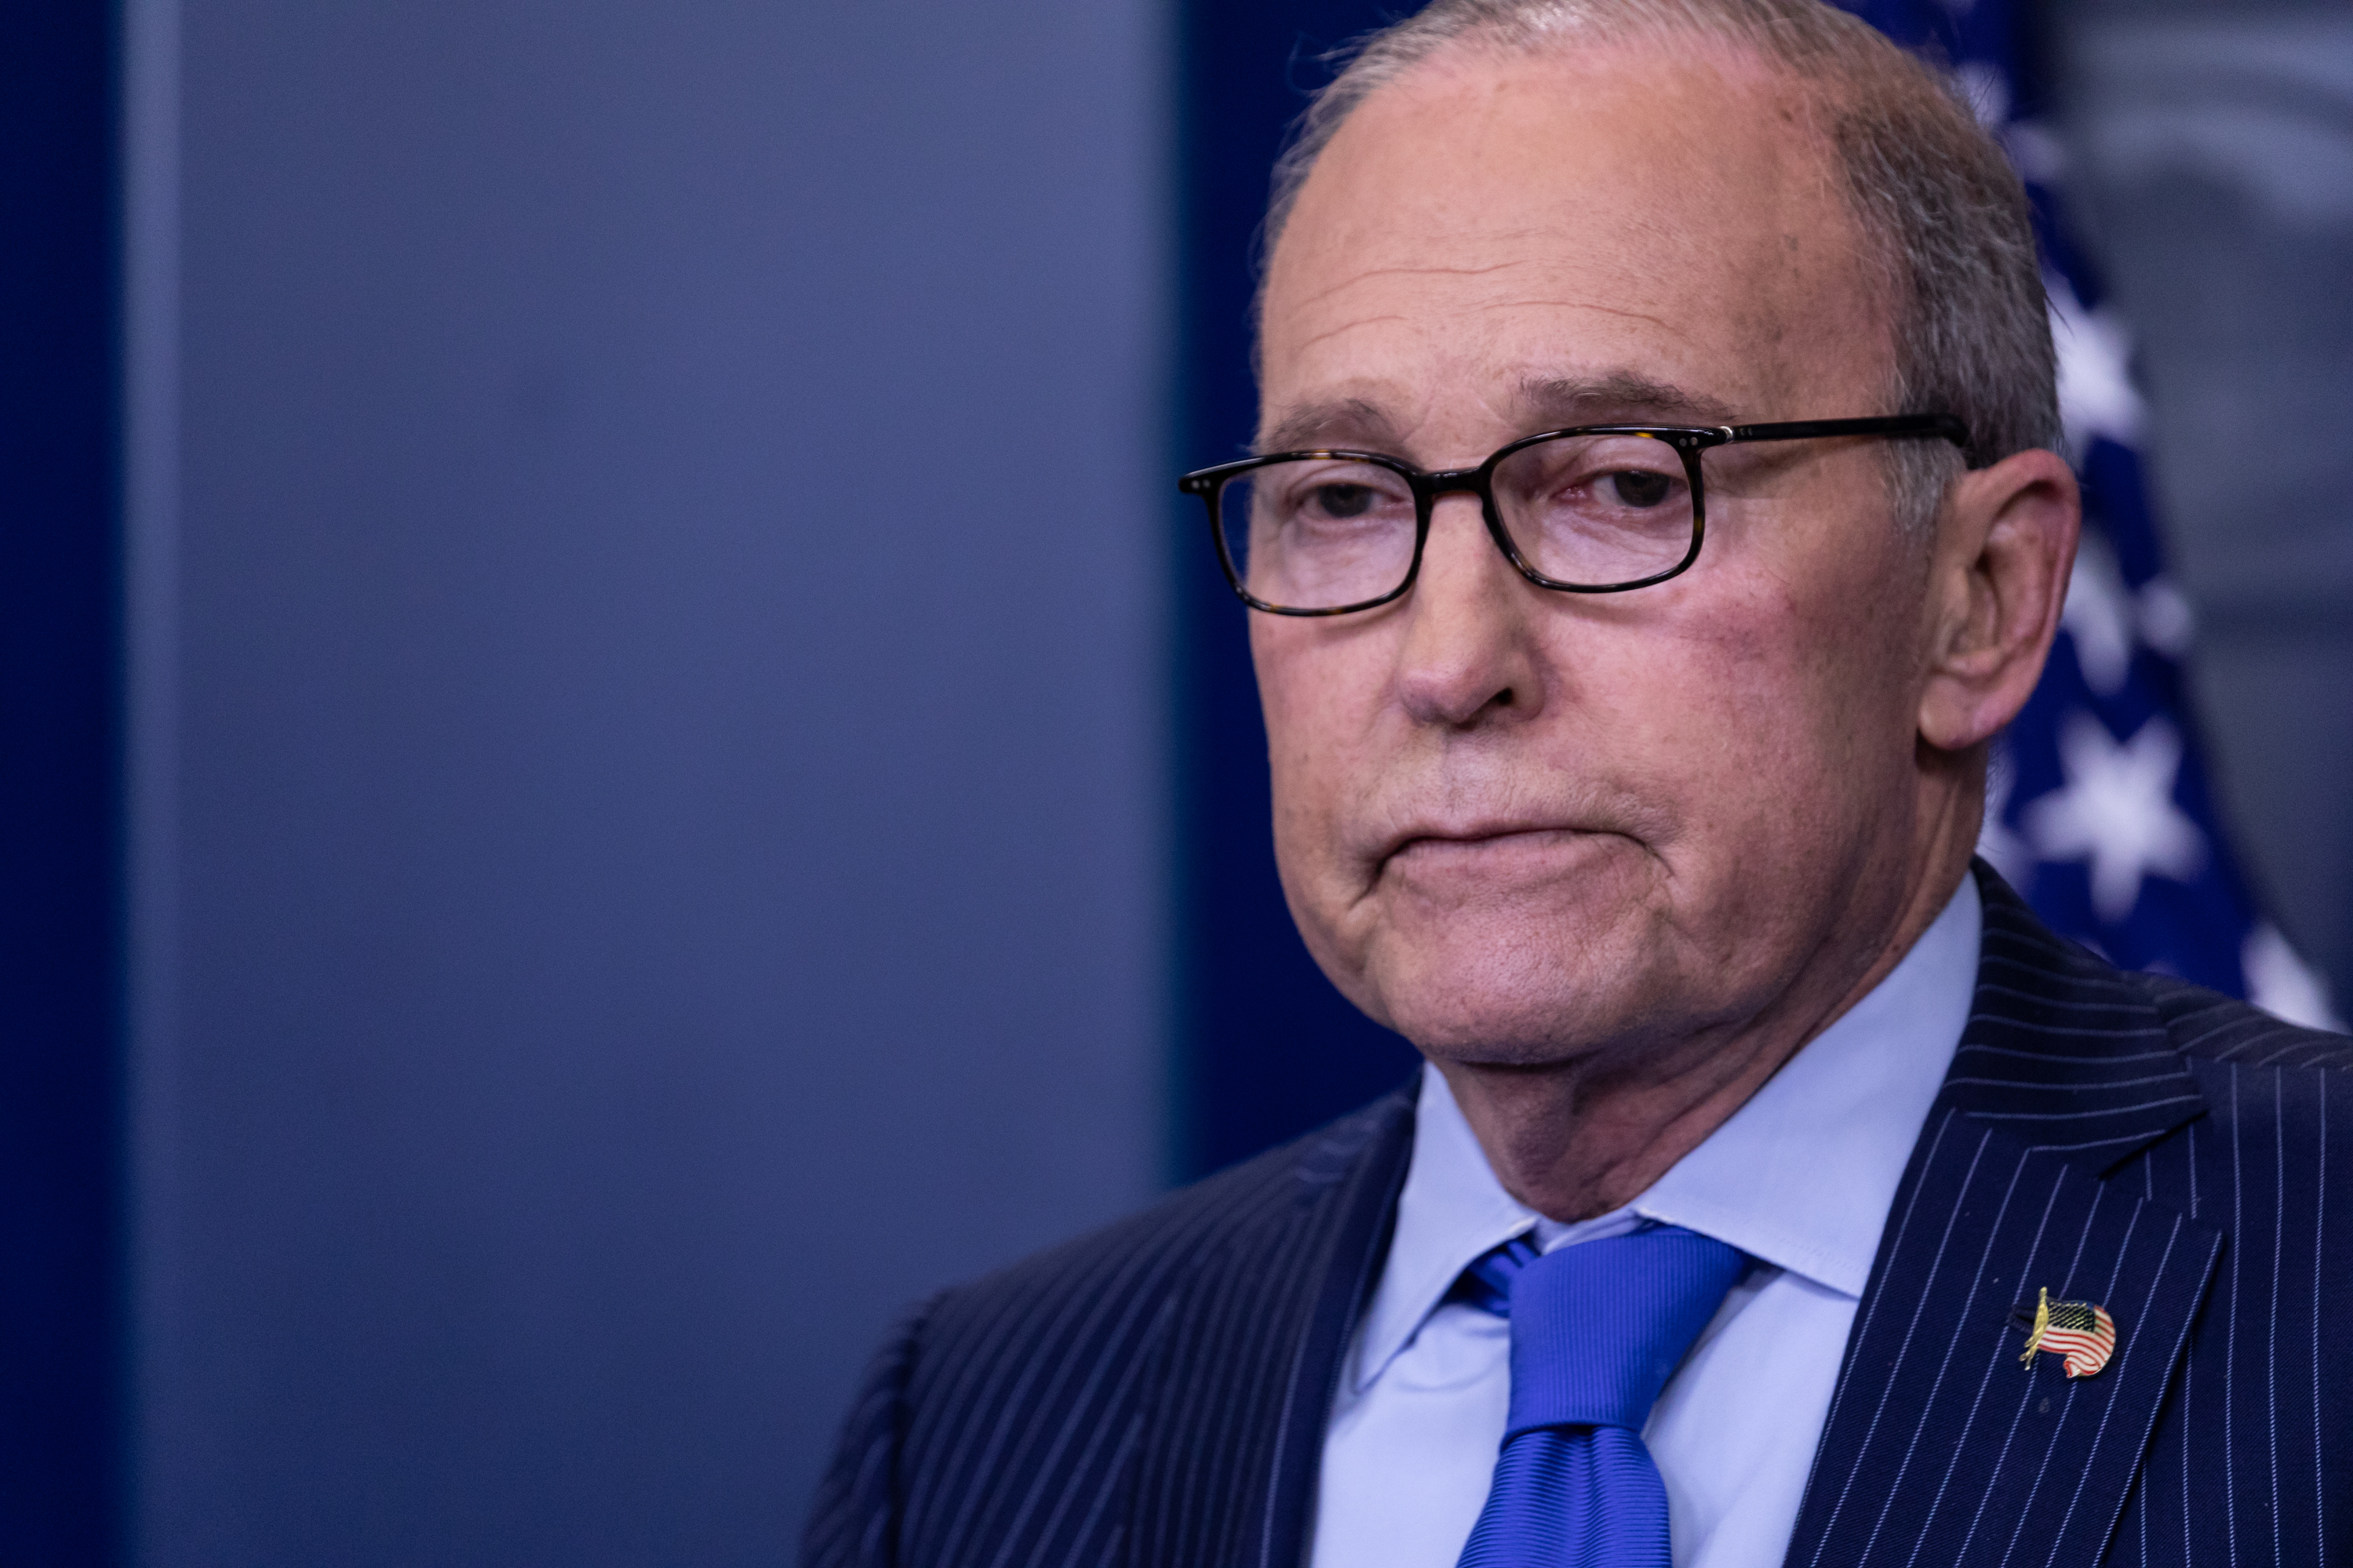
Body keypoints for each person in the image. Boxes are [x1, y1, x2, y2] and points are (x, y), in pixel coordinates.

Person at [803, 1, 2351, 1563]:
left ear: (1982, 598)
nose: (1450, 660)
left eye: (1623, 485)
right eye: (1341, 500)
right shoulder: (979, 1429)